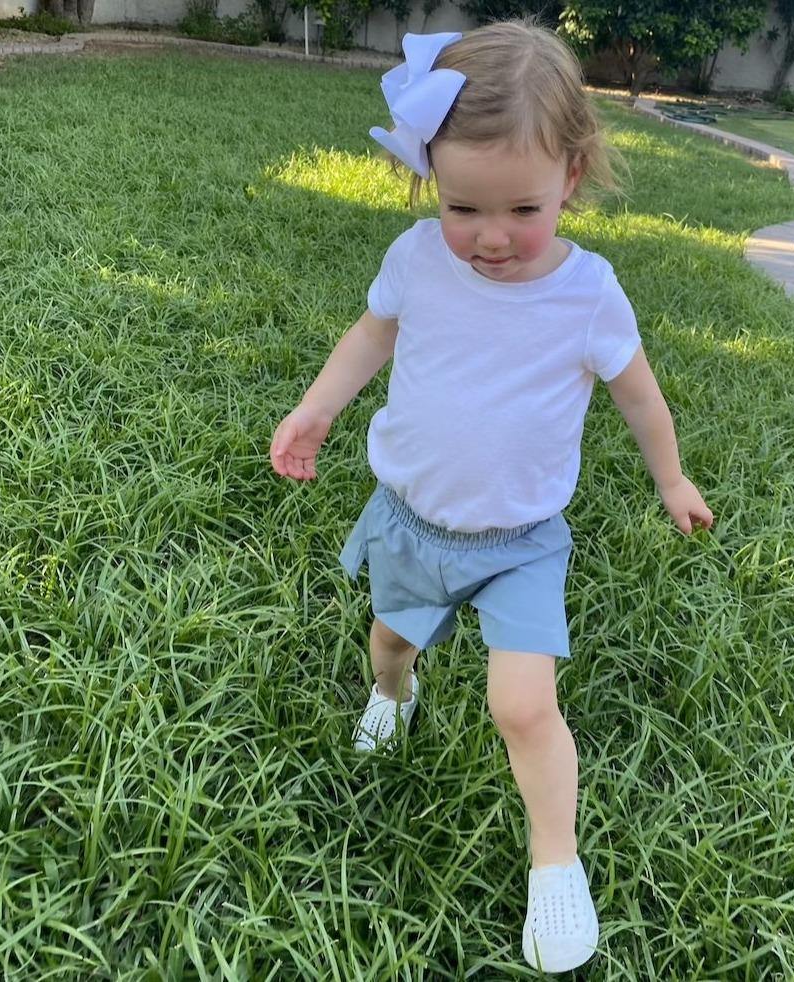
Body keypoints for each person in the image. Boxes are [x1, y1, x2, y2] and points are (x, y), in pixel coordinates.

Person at [270, 21, 713, 974]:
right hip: (412, 520)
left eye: (523, 208)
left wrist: (671, 478)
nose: (493, 236)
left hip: (521, 541)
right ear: (429, 179)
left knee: (521, 706)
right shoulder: (418, 259)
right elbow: (371, 336)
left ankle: (556, 863)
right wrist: (316, 409)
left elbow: (640, 396)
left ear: (572, 179)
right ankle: (393, 693)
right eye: (462, 207)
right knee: (391, 644)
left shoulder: (587, 293)